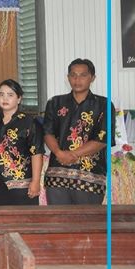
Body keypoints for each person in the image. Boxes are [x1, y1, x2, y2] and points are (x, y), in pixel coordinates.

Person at [43, 59, 112, 204]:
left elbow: (102, 139)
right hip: (57, 176)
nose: (77, 79)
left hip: (90, 178)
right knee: (59, 222)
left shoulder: (104, 104)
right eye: (73, 75)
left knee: (88, 223)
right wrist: (59, 153)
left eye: (83, 75)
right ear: (68, 77)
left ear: (92, 77)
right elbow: (48, 133)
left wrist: (73, 154)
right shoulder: (55, 102)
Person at [0, 79, 44, 206]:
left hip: (22, 187)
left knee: (24, 223)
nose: (5, 98)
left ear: (19, 99)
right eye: (1, 94)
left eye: (10, 95)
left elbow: (37, 153)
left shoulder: (29, 122)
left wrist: (36, 181)